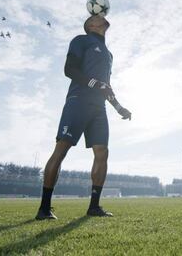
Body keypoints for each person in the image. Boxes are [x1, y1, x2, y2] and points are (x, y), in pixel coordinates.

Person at [35, 15, 131, 220]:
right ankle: (44, 208)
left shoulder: (109, 54)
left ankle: (94, 207)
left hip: (99, 108)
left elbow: (106, 86)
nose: (102, 17)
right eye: (96, 16)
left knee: (102, 152)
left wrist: (119, 107)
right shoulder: (81, 40)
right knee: (61, 150)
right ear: (91, 25)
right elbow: (69, 70)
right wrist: (93, 84)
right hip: (78, 100)